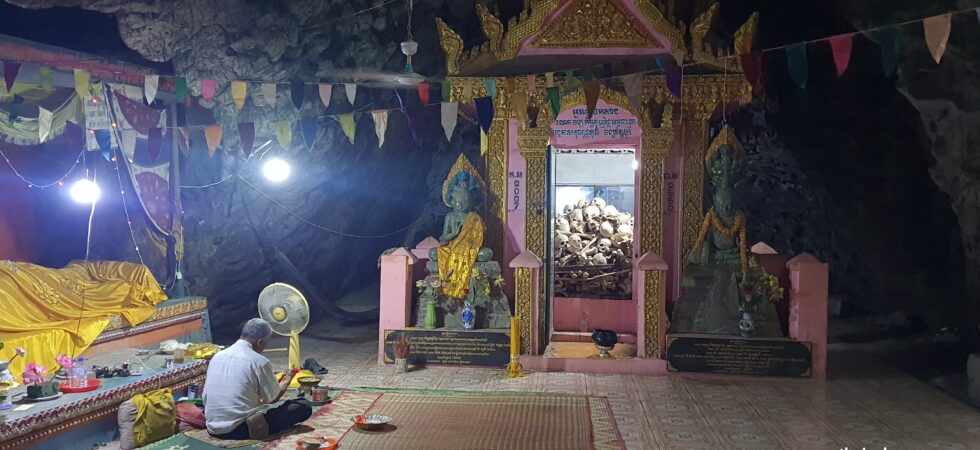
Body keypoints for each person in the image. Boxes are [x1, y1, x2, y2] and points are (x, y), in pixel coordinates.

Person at [203, 318, 312, 439]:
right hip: (241, 428)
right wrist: (288, 378)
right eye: (266, 343)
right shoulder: (259, 361)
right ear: (259, 342)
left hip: (212, 427)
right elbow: (273, 398)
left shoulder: (217, 356)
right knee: (302, 406)